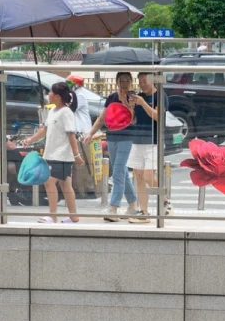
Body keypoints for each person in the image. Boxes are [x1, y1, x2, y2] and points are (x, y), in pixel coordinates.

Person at [22, 80, 83, 224]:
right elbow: (45, 130)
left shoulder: (66, 112)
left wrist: (77, 155)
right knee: (65, 186)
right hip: (52, 153)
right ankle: (73, 217)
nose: (48, 94)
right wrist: (30, 139)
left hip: (61, 155)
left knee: (49, 182)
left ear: (57, 96)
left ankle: (53, 216)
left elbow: (71, 135)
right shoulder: (53, 111)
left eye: (50, 92)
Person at [87, 71, 139, 221]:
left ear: (131, 82)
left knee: (117, 173)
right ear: (117, 82)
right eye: (121, 81)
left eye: (127, 81)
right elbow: (102, 118)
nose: (124, 84)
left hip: (127, 139)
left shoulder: (134, 97)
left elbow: (133, 120)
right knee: (122, 172)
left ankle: (114, 208)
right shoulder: (111, 98)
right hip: (112, 138)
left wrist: (125, 102)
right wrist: (91, 133)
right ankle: (133, 205)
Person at [128, 71, 161, 222]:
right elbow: (133, 121)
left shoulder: (160, 96)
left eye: (145, 81)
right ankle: (144, 212)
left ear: (152, 80)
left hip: (153, 142)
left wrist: (143, 103)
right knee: (139, 177)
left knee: (148, 176)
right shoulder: (139, 97)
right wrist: (131, 107)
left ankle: (164, 199)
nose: (142, 84)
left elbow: (158, 116)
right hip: (138, 140)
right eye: (140, 81)